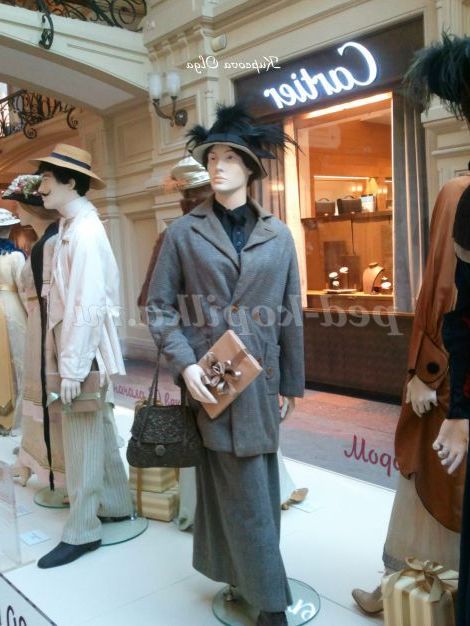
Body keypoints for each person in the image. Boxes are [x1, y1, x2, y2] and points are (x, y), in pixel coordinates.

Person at [147, 103, 304, 626]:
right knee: (238, 484)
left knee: (255, 484)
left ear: (250, 168)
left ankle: (251, 581)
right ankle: (270, 602)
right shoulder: (183, 233)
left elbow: (289, 311)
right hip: (210, 378)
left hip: (258, 380)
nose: (217, 166)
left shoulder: (279, 235)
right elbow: (159, 306)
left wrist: (292, 383)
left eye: (229, 158)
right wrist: (185, 363)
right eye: (212, 157)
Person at [352, 174, 467, 613]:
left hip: (455, 377)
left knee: (433, 474)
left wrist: (425, 370)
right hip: (454, 369)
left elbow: (443, 288)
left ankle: (411, 592)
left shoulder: (459, 191)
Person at [31, 144, 134, 568]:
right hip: (77, 343)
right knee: (98, 424)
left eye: (46, 179)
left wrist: (72, 367)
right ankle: (116, 504)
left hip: (81, 347)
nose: (40, 188)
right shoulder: (73, 226)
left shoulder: (85, 232)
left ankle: (83, 530)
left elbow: (87, 302)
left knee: (81, 437)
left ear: (70, 182)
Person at [402, 33, 470, 626]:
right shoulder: (456, 193)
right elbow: (439, 295)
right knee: (439, 480)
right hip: (451, 376)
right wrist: (421, 370)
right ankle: (416, 582)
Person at [3, 175, 65, 489]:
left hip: (43, 321)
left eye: (19, 206)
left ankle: (52, 460)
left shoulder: (49, 245)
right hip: (28, 316)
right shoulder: (31, 248)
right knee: (27, 375)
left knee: (39, 382)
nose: (17, 212)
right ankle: (38, 454)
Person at [0, 208, 27, 435]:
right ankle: (16, 417)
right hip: (12, 306)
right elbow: (24, 288)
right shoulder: (16, 256)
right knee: (19, 357)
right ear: (9, 230)